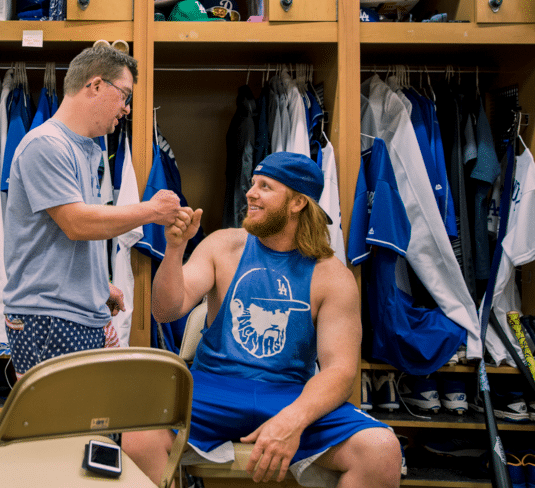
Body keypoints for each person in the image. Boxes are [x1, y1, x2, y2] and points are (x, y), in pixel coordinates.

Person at [123, 151, 402, 488]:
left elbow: (340, 372)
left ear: (297, 202)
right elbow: (165, 310)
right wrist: (174, 250)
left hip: (290, 395)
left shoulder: (332, 276)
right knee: (137, 433)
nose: (250, 193)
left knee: (381, 450)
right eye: (253, 184)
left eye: (265, 186)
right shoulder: (222, 246)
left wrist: (292, 420)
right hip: (212, 389)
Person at [3, 46, 184, 378]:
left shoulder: (83, 149)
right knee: (63, 412)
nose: (127, 108)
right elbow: (77, 224)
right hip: (50, 318)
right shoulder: (46, 145)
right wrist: (151, 210)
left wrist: (97, 285)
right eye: (124, 95)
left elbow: (65, 234)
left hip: (72, 314)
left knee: (93, 407)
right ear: (96, 85)